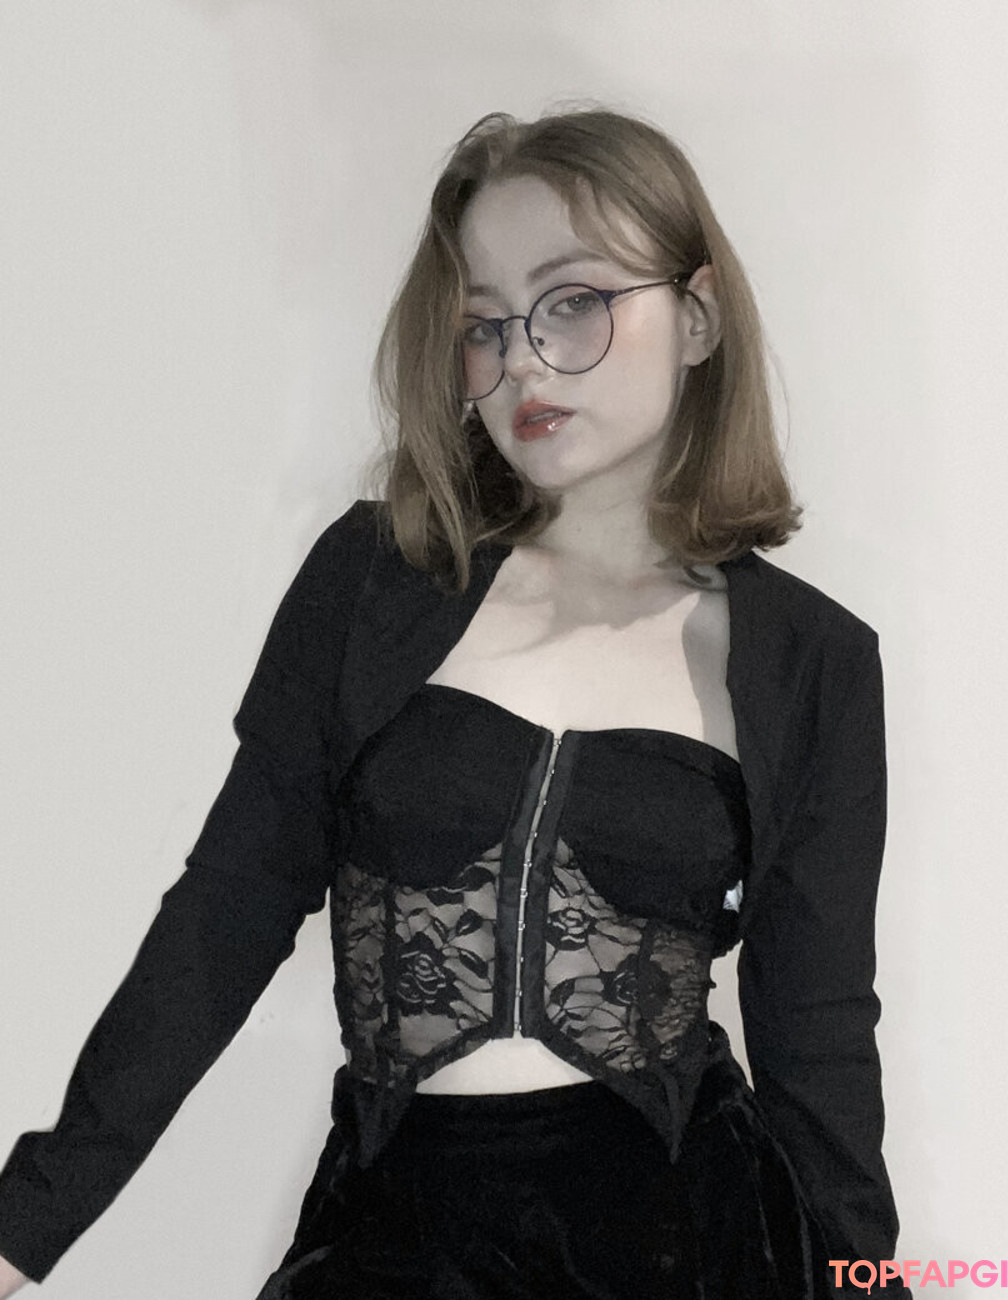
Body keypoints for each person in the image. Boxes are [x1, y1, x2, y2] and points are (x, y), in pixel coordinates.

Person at [0, 107, 909, 1298]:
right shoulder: (372, 579)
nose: (521, 359)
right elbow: (225, 911)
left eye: (572, 301)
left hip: (685, 1239)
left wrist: (865, 1283)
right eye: (484, 323)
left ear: (696, 318)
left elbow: (818, 1039)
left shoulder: (810, 661)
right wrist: (25, 1223)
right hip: (398, 1236)